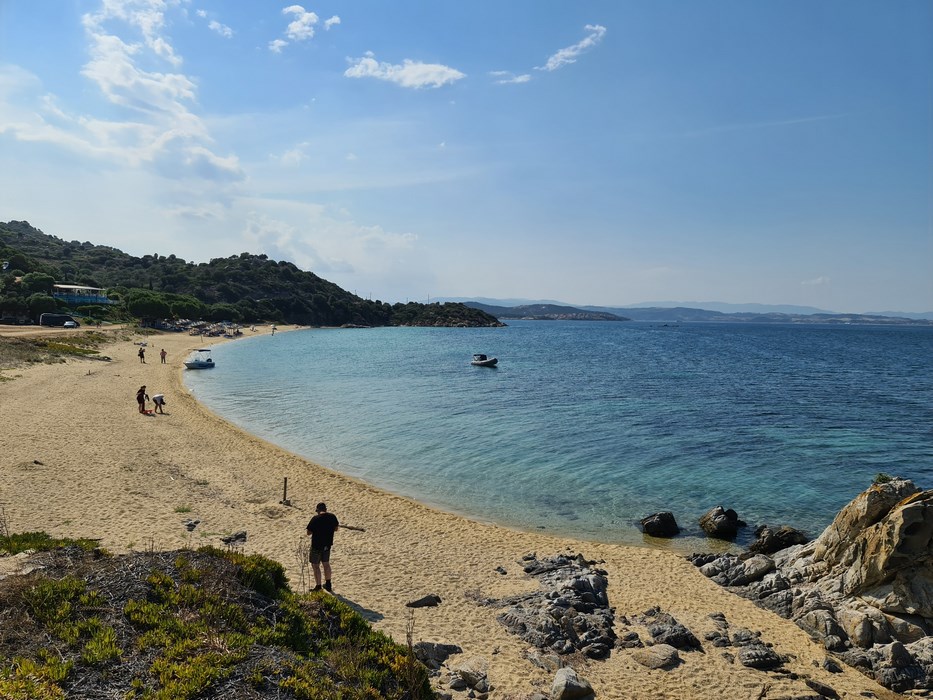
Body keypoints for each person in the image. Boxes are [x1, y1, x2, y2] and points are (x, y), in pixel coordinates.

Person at [306, 502, 339, 592]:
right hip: (327, 545)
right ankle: (328, 584)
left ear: (318, 510)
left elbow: (308, 532)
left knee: (315, 565)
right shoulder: (332, 517)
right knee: (326, 564)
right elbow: (336, 528)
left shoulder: (315, 519)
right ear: (325, 509)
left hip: (316, 545)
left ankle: (318, 586)